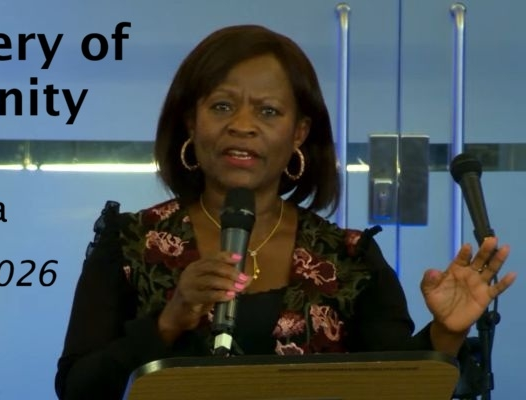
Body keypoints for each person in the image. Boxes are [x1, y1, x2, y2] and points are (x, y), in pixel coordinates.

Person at [54, 24, 516, 400]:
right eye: (221, 106)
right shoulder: (130, 243)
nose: (242, 125)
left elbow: (395, 388)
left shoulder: (350, 259)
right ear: (191, 122)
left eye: (269, 111)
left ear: (299, 133)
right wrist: (169, 321)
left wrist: (446, 333)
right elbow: (78, 389)